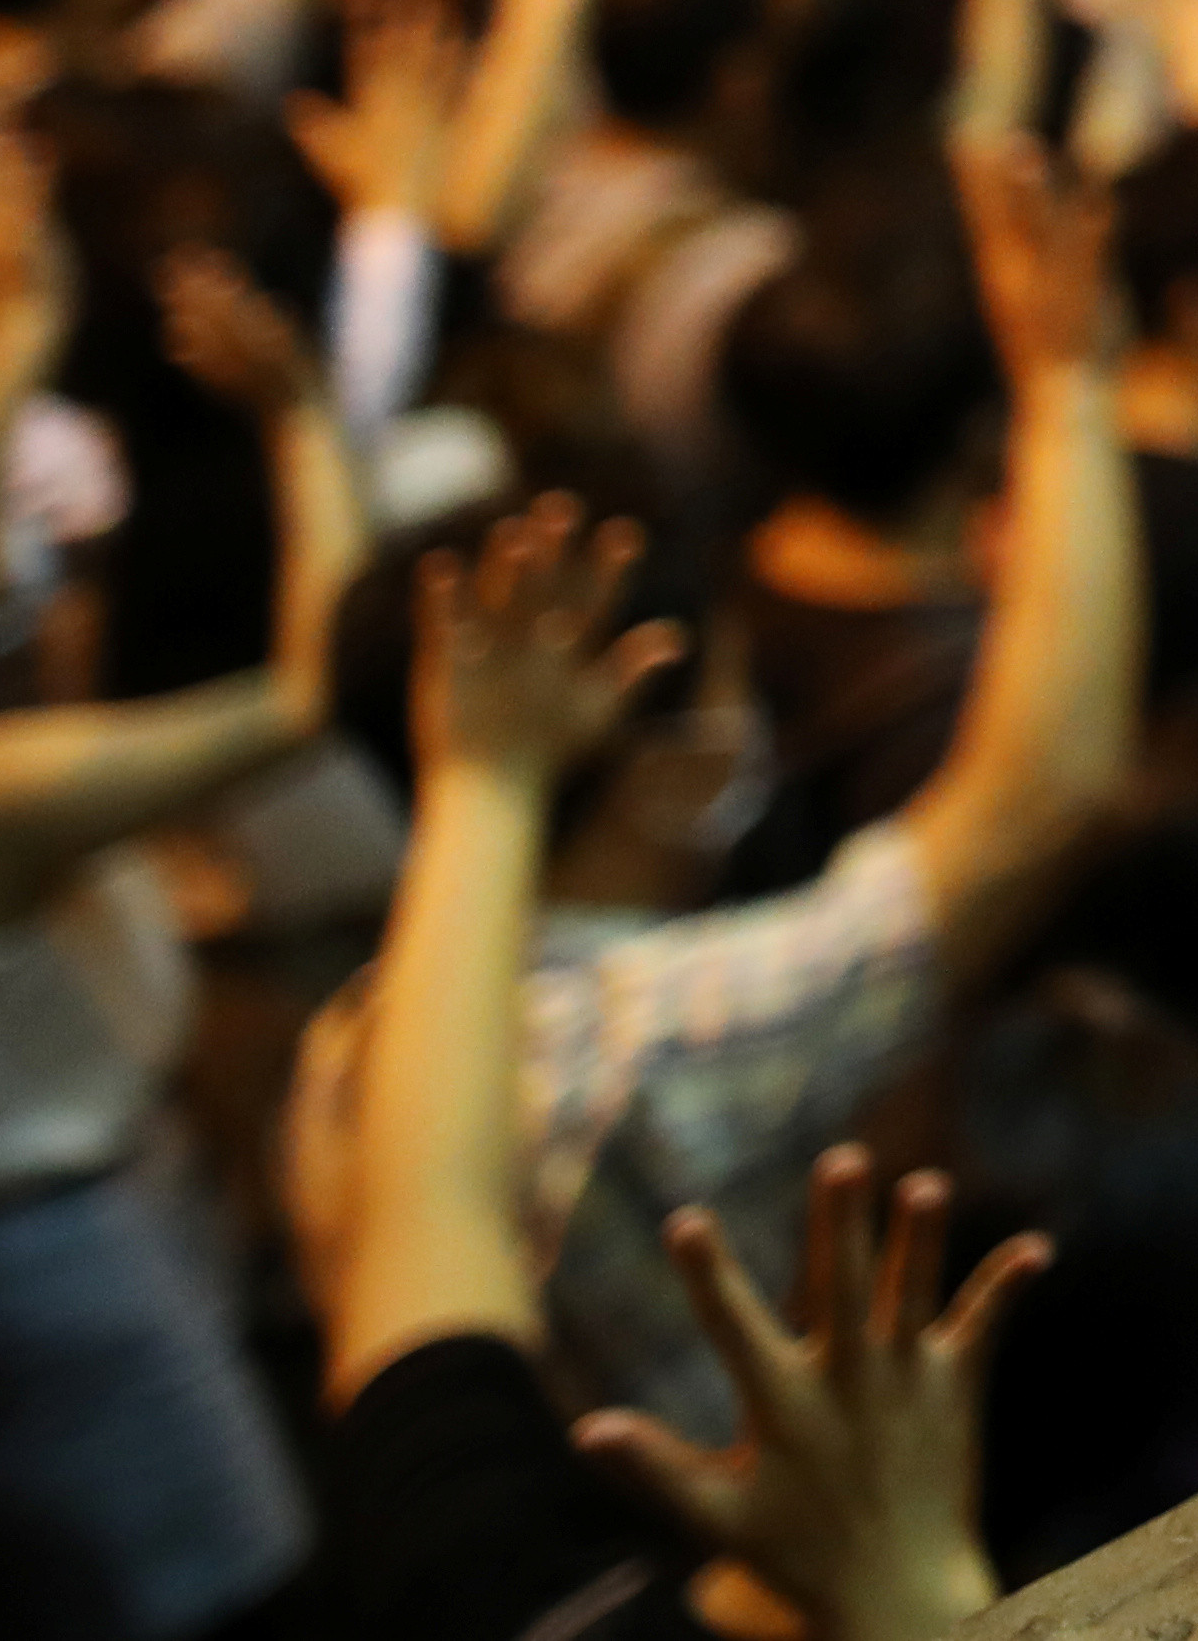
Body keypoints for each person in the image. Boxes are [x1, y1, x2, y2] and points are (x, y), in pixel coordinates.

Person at [300, 491, 1036, 1641]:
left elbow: (430, 1212)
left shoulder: (358, 1046)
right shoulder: (657, 1035)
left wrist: (485, 781)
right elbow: (1042, 801)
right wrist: (913, 1589)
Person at [0, 212, 365, 1641]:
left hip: (53, 1253)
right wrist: (295, 412)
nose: (42, 544)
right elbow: (312, 691)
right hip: (62, 1287)